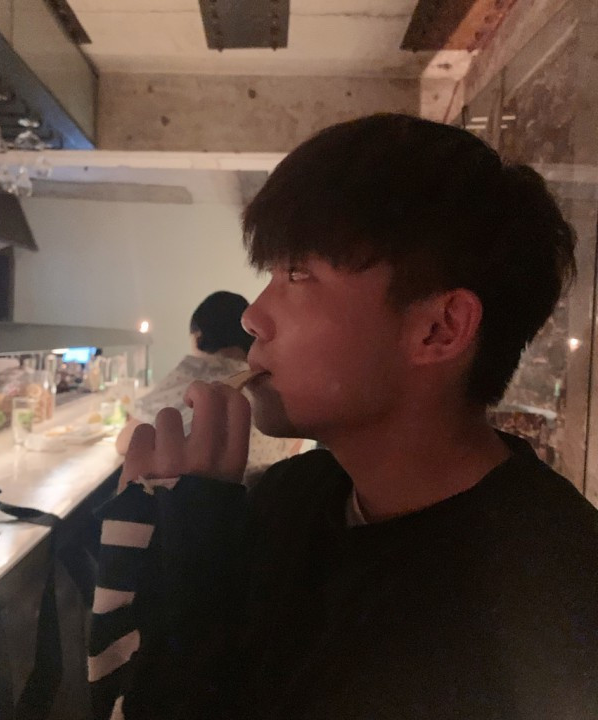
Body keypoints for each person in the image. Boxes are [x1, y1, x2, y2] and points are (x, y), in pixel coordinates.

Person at [89, 113, 598, 720]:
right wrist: (175, 536)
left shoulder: (556, 608)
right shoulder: (286, 499)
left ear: (439, 329)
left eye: (298, 273)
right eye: (272, 273)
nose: (253, 316)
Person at [115, 291, 301, 485]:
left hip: (194, 497)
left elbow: (125, 442)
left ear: (197, 336)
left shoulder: (194, 371)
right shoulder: (266, 381)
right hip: (261, 497)